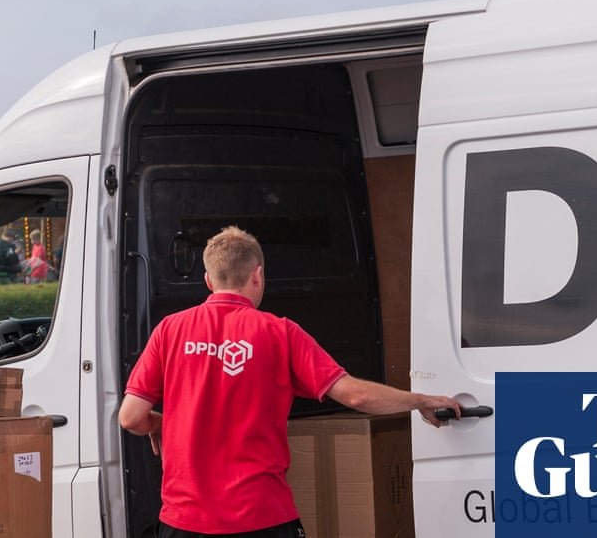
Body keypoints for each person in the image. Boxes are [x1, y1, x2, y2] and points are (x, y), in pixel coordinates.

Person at [118, 226, 461, 538]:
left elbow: (131, 417)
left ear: (208, 279)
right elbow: (355, 396)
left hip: (184, 523)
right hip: (262, 519)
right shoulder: (279, 333)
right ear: (258, 274)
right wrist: (422, 400)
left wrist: (158, 424)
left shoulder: (170, 331)